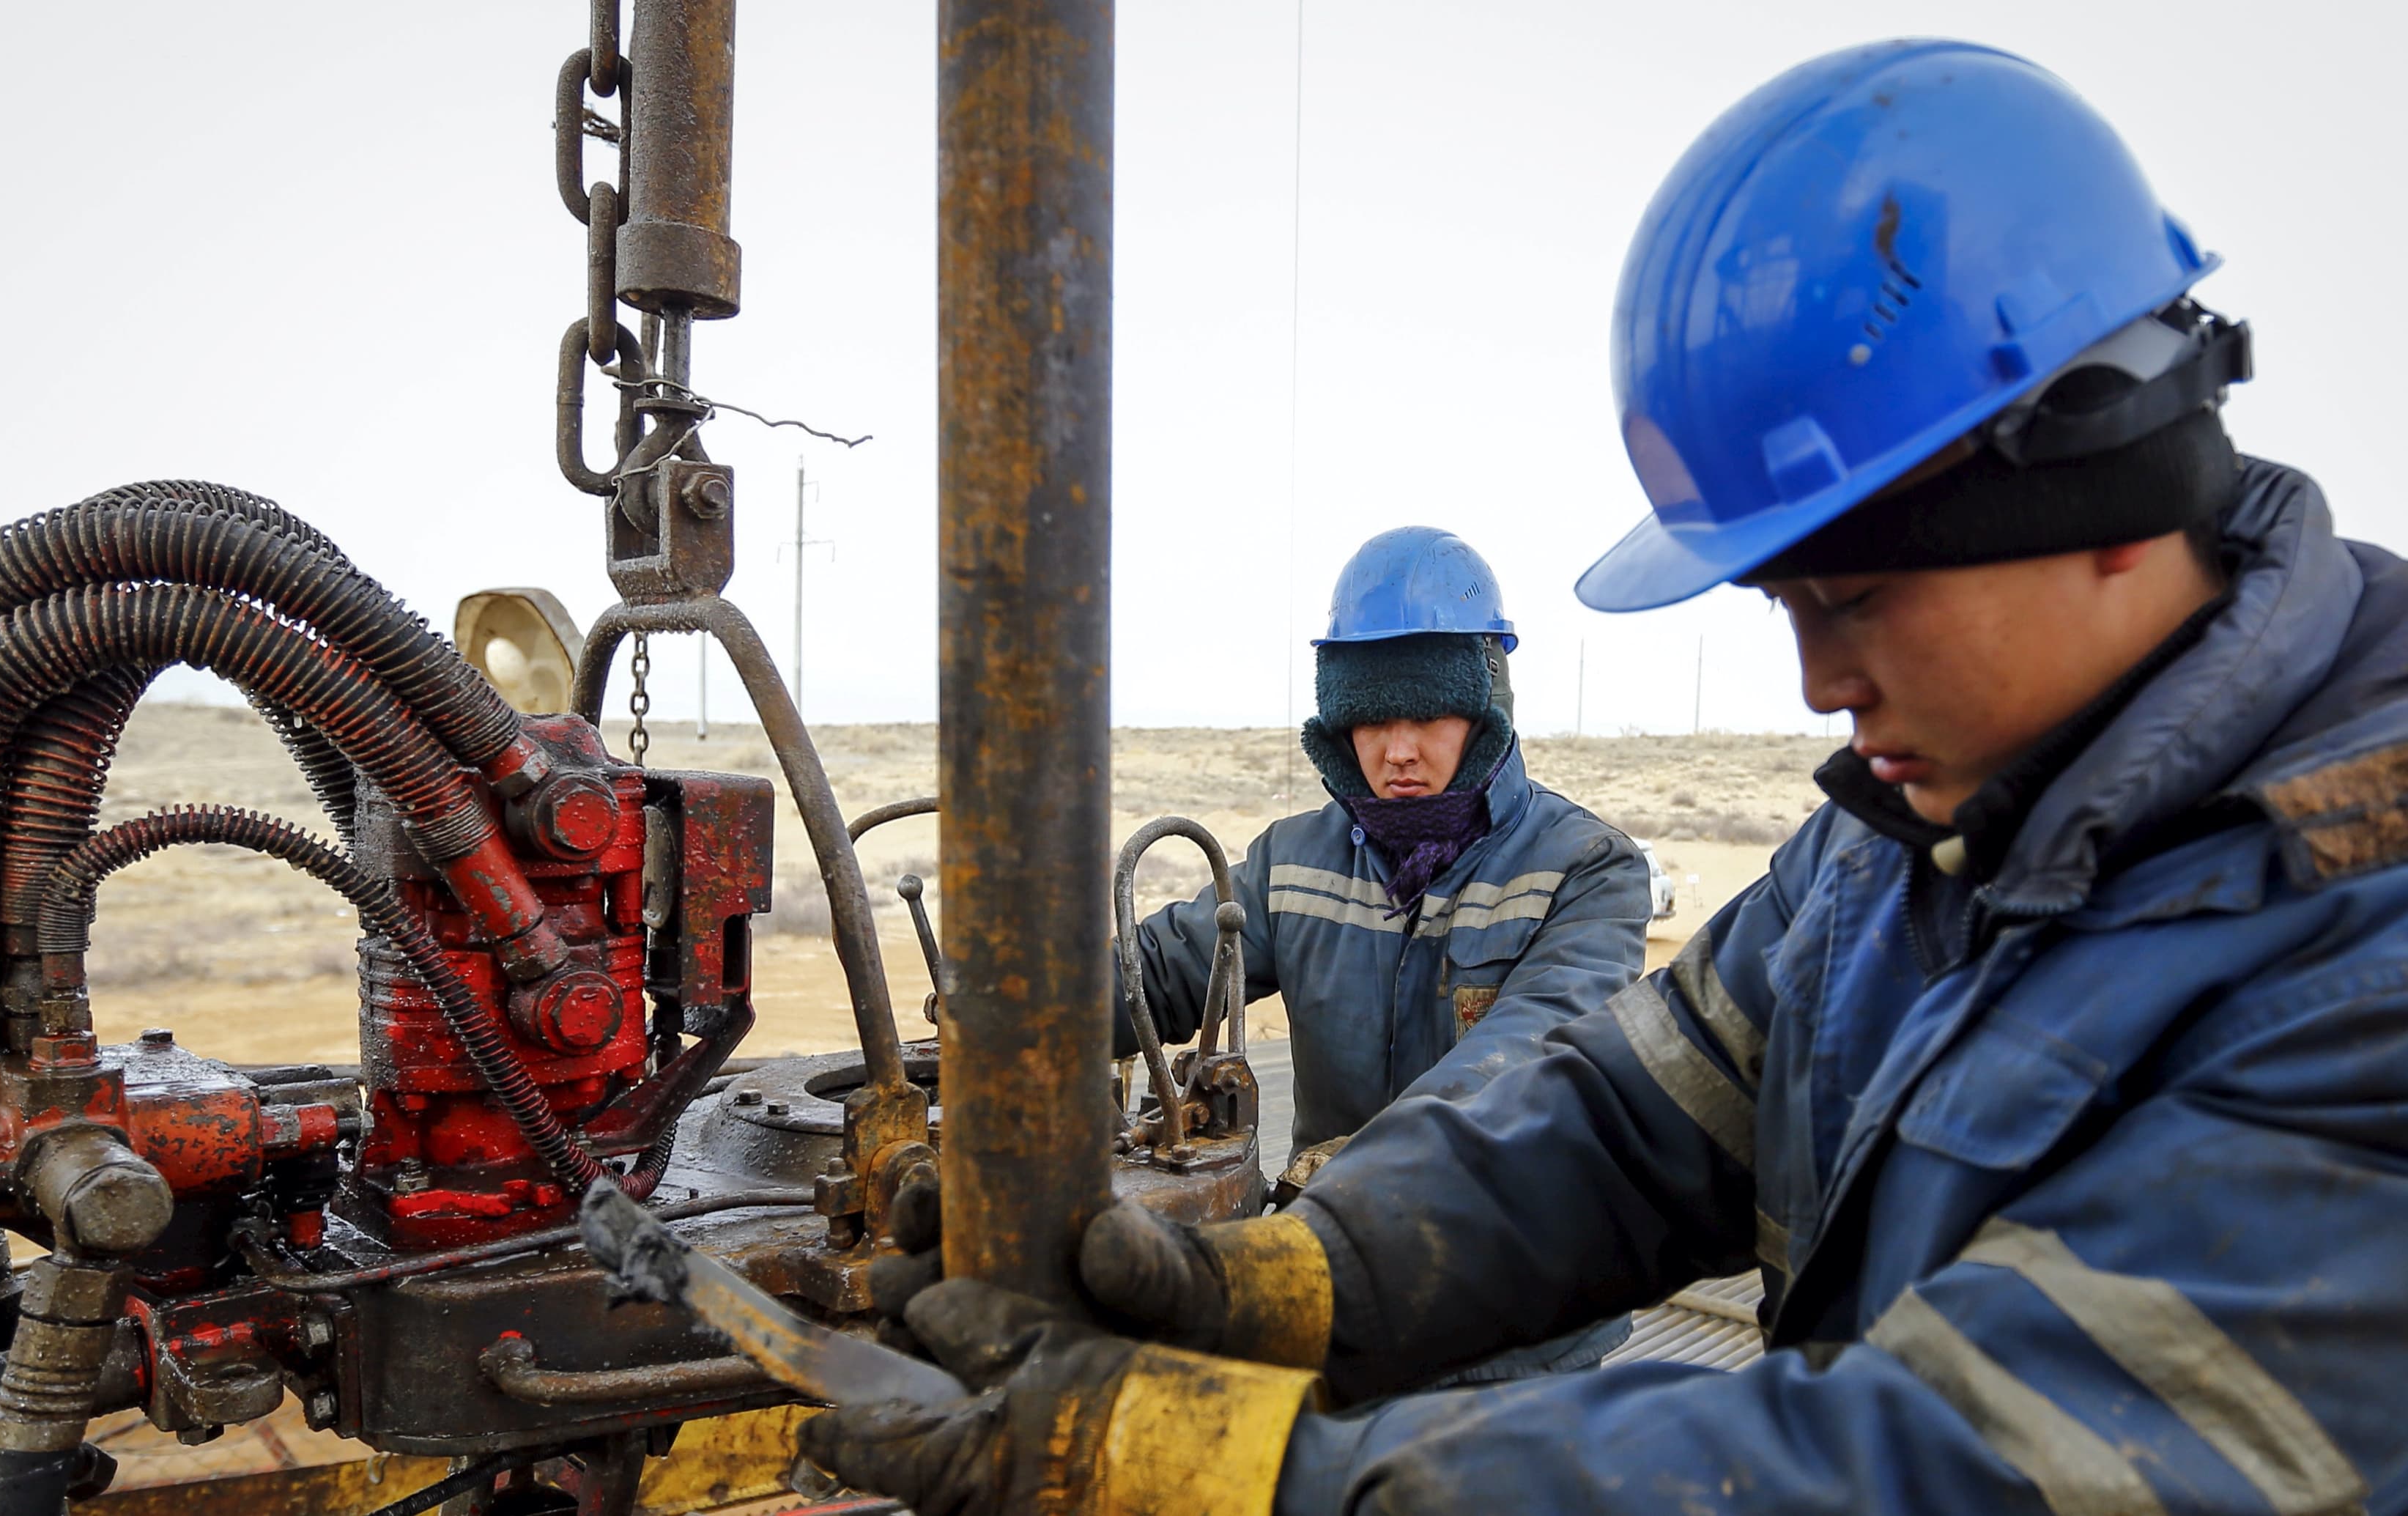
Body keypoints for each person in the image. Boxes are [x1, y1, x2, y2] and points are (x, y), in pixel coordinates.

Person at [799, 39, 2408, 1515]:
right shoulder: (1895, 847)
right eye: (1782, 607)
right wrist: (1289, 1282)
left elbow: (1951, 1471)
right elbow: (1629, 1122)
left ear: (2108, 482)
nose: (1816, 682)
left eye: (1851, 598)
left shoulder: (2362, 948)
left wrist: (1251, 1472)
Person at [1119, 525, 1650, 1382]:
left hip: (1522, 1325)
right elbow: (1172, 969)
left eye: (1426, 714)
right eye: (1370, 717)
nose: (1397, 750)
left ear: (1483, 708)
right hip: (1346, 1299)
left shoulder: (1585, 866)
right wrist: (1017, 1006)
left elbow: (1538, 1050)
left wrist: (1357, 1167)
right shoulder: (1292, 859)